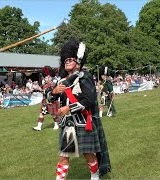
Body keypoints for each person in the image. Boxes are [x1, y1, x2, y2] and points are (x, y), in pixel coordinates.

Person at [46, 39, 111, 179]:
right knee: (64, 157)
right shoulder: (61, 81)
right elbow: (49, 99)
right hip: (67, 124)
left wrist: (68, 108)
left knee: (89, 155)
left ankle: (95, 175)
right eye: (65, 60)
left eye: (70, 59)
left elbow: (90, 100)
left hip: (83, 122)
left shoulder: (85, 77)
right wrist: (54, 92)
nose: (67, 62)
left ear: (78, 61)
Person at [33, 66, 59, 131]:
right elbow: (44, 92)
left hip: (51, 101)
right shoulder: (44, 84)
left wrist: (41, 90)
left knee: (53, 114)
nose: (47, 78)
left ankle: (56, 124)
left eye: (48, 77)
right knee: (41, 113)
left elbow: (50, 93)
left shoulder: (53, 84)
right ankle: (39, 127)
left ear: (51, 77)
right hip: (44, 101)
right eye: (46, 77)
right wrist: (40, 89)